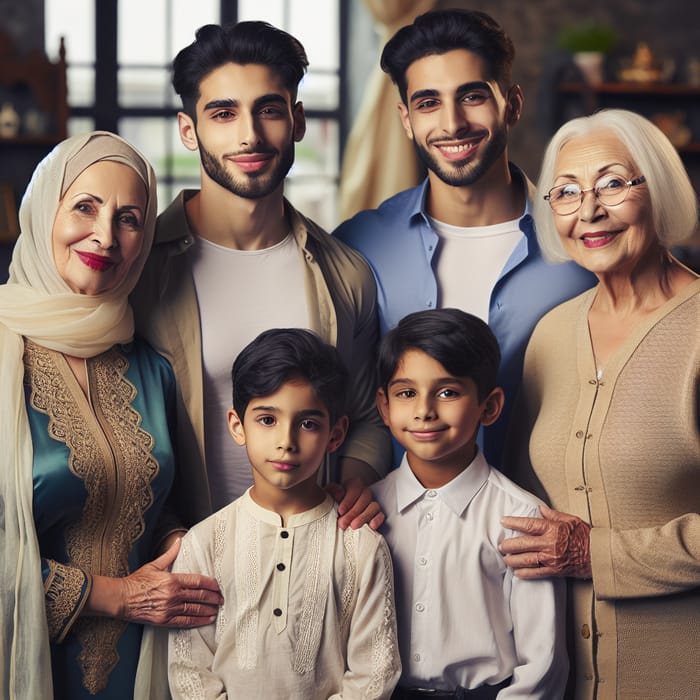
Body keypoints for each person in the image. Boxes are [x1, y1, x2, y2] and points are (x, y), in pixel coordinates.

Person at [133, 21, 390, 525]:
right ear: (190, 130)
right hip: (186, 567)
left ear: (296, 121)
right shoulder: (139, 270)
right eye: (223, 113)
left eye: (268, 110)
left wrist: (358, 476)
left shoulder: (346, 273)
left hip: (314, 563)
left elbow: (365, 418)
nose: (249, 135)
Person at [0, 131, 223, 700]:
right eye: (84, 207)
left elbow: (159, 496)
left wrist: (176, 543)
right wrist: (118, 596)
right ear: (43, 210)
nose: (106, 235)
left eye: (129, 218)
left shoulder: (150, 367)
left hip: (144, 666)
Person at [334, 9, 595, 468]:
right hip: (395, 529)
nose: (452, 123)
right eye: (428, 102)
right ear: (406, 118)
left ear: (512, 104)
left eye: (472, 96)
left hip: (547, 527)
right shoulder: (360, 244)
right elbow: (348, 400)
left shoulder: (582, 245)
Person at [499, 109, 700, 699]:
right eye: (565, 192)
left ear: (658, 190)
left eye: (613, 183)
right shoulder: (550, 336)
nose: (589, 210)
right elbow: (515, 501)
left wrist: (598, 553)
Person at [168, 328, 401, 698]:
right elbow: (189, 670)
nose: (286, 441)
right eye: (267, 420)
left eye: (308, 424)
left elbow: (375, 672)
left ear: (336, 434)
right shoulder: (203, 543)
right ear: (237, 425)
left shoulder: (361, 547)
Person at [372, 308, 568, 699]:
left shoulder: (521, 519)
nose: (425, 410)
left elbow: (541, 664)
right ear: (385, 408)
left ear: (489, 407)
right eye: (407, 393)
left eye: (448, 392)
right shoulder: (368, 512)